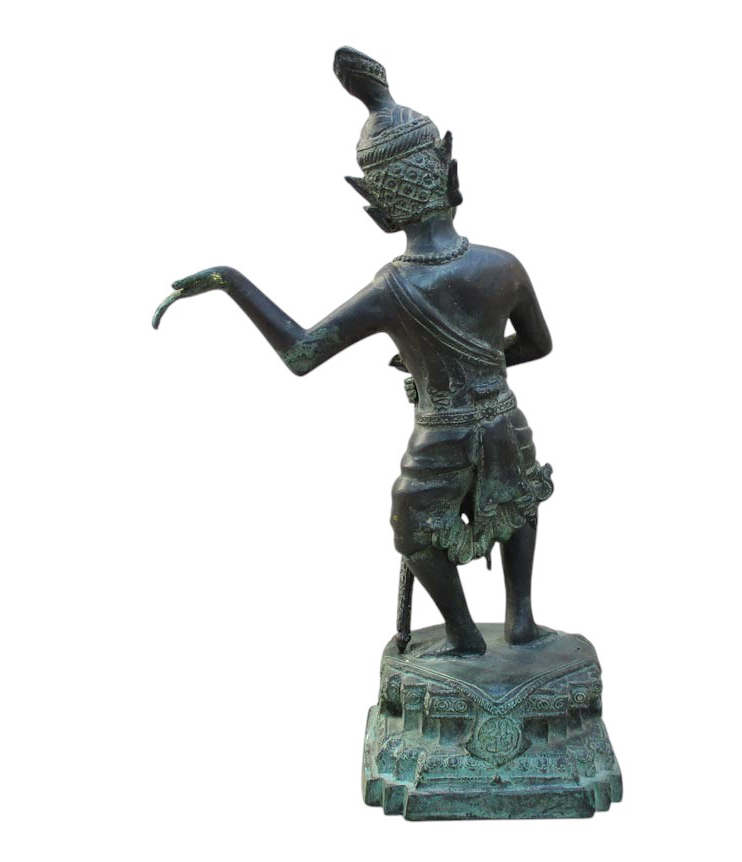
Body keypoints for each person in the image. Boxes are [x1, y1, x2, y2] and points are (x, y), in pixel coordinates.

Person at [153, 47, 553, 656]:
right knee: (517, 496)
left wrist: (232, 281)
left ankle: (464, 634)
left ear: (379, 209)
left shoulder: (391, 289)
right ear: (451, 176)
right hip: (504, 419)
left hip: (442, 433)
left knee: (414, 526)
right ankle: (520, 617)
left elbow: (301, 353)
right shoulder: (503, 266)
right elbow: (538, 345)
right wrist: (484, 363)